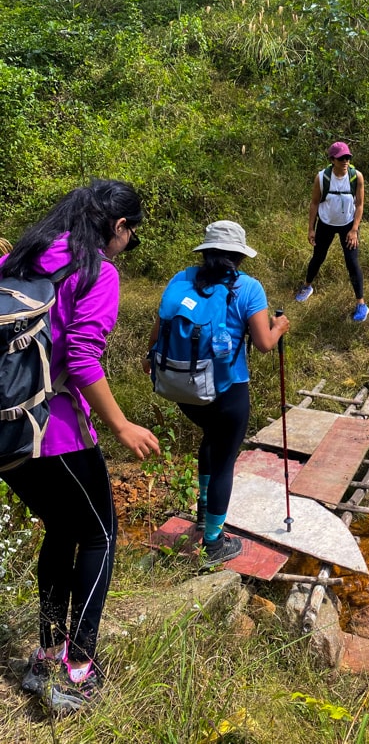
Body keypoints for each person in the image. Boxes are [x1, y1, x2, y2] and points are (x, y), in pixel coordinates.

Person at [0, 179, 160, 713]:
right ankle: (77, 666)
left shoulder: (22, 256)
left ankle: (46, 652)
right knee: (100, 535)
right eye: (129, 235)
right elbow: (84, 357)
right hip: (57, 432)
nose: (126, 247)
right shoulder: (96, 271)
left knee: (62, 528)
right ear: (118, 228)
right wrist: (121, 426)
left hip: (5, 431)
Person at [145, 220, 289, 566]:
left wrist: (149, 359)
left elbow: (158, 331)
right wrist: (281, 325)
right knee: (224, 460)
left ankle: (202, 515)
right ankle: (213, 543)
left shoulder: (181, 280)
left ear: (206, 251)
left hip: (184, 389)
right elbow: (264, 343)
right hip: (227, 392)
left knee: (209, 442)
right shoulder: (248, 288)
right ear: (239, 256)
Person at [295, 141, 369, 322]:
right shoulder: (322, 178)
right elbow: (314, 203)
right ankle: (307, 286)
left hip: (348, 225)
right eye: (341, 158)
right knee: (318, 257)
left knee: (352, 262)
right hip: (326, 223)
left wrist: (354, 229)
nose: (345, 161)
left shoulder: (356, 176)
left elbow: (359, 204)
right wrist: (311, 228)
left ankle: (361, 303)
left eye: (348, 158)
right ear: (332, 160)